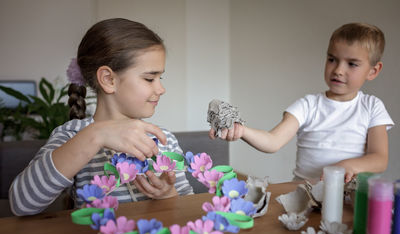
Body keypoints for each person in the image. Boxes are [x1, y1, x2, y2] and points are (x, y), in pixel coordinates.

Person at [9, 18, 193, 216]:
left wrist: (169, 194)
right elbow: (21, 204)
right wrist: (96, 134)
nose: (161, 89)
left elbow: (186, 207)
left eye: (160, 78)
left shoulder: (165, 140)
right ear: (108, 79)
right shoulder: (72, 135)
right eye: (149, 78)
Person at [210, 22, 394, 183]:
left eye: (352, 64)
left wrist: (344, 167)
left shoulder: (372, 107)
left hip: (349, 200)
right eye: (332, 59)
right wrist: (242, 131)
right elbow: (273, 141)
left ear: (373, 71)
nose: (338, 70)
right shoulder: (308, 105)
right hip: (305, 195)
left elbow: (379, 159)